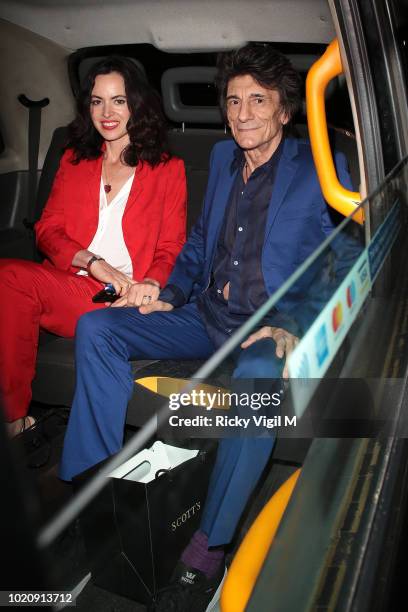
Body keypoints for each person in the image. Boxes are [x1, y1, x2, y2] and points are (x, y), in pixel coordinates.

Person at [60, 44, 353, 610]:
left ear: (285, 110)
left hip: (264, 330)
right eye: (234, 101)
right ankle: (92, 496)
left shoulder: (321, 168)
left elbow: (338, 259)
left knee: (261, 383)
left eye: (257, 101)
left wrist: (293, 321)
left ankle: (206, 553)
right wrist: (168, 294)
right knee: (100, 329)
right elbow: (197, 244)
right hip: (206, 316)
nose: (242, 113)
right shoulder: (221, 159)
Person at [0, 56, 187, 437]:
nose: (107, 112)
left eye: (118, 100)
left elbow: (171, 247)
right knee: (10, 277)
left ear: (137, 105)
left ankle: (12, 420)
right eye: (97, 101)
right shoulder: (75, 159)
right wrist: (93, 262)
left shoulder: (168, 168)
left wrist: (147, 286)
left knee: (9, 278)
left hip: (125, 296)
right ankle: (14, 419)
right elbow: (47, 230)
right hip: (74, 283)